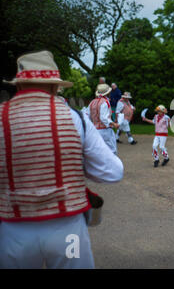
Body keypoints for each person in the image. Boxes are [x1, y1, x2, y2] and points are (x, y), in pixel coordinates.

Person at [0, 50, 123, 268]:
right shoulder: (74, 117)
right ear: (55, 86)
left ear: (18, 85)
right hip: (67, 228)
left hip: (14, 233)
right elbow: (113, 172)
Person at [86, 84, 119, 154]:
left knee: (99, 151)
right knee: (112, 151)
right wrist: (113, 124)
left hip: (95, 131)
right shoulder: (105, 102)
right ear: (108, 93)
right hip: (105, 131)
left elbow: (87, 116)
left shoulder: (92, 102)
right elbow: (103, 117)